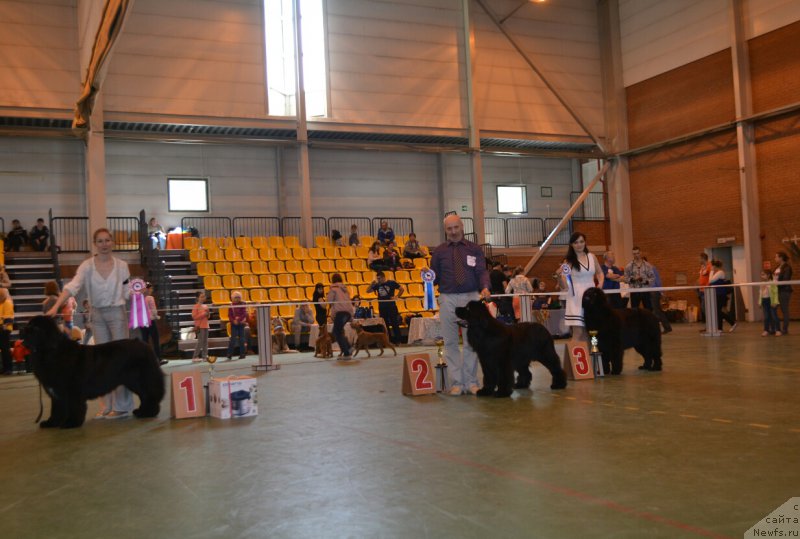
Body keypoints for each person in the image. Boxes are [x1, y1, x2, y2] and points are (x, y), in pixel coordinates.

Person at [45, 228, 133, 419]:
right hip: (97, 316)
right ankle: (106, 406)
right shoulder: (86, 266)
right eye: (100, 241)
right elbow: (72, 287)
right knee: (101, 363)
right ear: (95, 244)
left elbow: (127, 293)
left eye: (107, 240)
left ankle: (123, 407)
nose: (104, 244)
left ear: (112, 243)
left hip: (117, 314)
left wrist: (138, 294)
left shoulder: (122, 266)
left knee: (120, 361)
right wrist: (56, 307)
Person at [429, 214, 491, 396]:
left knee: (471, 342)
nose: (453, 232)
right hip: (447, 298)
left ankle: (471, 382)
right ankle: (457, 383)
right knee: (450, 342)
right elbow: (435, 276)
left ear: (462, 227)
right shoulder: (439, 251)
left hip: (471, 298)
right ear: (445, 230)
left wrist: (485, 287)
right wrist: (427, 276)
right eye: (449, 229)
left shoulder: (475, 249)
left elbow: (481, 271)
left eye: (456, 227)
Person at [557, 232, 604, 342]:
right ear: (571, 245)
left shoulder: (592, 257)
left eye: (581, 241)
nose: (579, 245)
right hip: (576, 298)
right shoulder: (567, 262)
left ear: (585, 242)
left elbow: (600, 273)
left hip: (592, 296)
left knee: (591, 332)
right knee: (578, 332)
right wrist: (559, 277)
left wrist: (600, 285)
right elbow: (565, 285)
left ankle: (589, 358)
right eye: (576, 242)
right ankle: (576, 359)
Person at [368, 270, 404, 345]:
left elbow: (401, 289)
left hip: (391, 307)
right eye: (377, 278)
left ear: (384, 277)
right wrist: (371, 284)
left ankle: (398, 341)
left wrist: (397, 296)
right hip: (382, 307)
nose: (378, 280)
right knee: (385, 325)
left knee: (395, 324)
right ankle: (388, 341)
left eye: (379, 278)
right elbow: (368, 291)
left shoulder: (391, 283)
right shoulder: (377, 285)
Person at [327, 273, 354, 359]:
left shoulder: (333, 288)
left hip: (340, 313)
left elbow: (329, 301)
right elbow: (349, 302)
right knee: (339, 331)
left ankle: (347, 352)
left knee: (336, 332)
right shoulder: (345, 289)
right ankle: (349, 347)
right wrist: (351, 316)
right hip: (347, 313)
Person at [646, 258, 672, 334]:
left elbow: (658, 280)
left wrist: (661, 292)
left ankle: (664, 328)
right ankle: (667, 327)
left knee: (657, 311)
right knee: (657, 311)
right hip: (651, 291)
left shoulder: (652, 268)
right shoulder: (646, 270)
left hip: (655, 292)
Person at [141, 283, 165, 365]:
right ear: (147, 289)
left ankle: (145, 359)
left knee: (145, 340)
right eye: (151, 288)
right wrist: (157, 316)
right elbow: (153, 309)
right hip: (150, 320)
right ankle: (158, 358)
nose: (152, 290)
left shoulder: (139, 298)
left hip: (142, 321)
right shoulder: (150, 298)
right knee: (155, 339)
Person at [709, 260, 736, 332]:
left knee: (718, 311)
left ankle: (732, 323)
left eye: (712, 266)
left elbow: (710, 281)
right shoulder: (717, 273)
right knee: (718, 311)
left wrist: (711, 271)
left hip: (721, 294)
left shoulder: (720, 272)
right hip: (717, 294)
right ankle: (720, 328)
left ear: (714, 266)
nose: (711, 267)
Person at [773, 251, 793, 336]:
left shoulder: (787, 267)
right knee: (773, 309)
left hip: (784, 291)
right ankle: (776, 328)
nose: (775, 258)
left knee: (784, 310)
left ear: (781, 258)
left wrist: (777, 283)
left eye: (776, 257)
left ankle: (785, 329)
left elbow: (786, 279)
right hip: (776, 291)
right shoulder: (777, 267)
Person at [227, 291, 248, 360]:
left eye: (239, 297)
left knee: (242, 339)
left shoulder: (243, 304)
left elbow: (244, 313)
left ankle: (242, 354)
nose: (237, 299)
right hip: (234, 324)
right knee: (233, 339)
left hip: (241, 324)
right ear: (232, 298)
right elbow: (229, 315)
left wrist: (238, 320)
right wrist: (233, 321)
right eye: (235, 297)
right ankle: (229, 354)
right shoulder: (231, 305)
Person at [759, 269, 780, 337]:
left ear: (768, 275)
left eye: (763, 274)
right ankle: (766, 330)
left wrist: (775, 302)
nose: (761, 276)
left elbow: (775, 293)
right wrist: (760, 302)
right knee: (766, 317)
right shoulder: (761, 283)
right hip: (764, 301)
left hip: (771, 301)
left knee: (774, 316)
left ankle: (778, 330)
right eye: (761, 274)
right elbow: (760, 294)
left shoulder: (772, 282)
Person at [191, 291, 209, 362]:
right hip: (199, 326)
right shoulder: (195, 306)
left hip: (206, 325)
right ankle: (195, 356)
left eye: (204, 296)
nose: (203, 298)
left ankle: (205, 356)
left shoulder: (206, 306)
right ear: (197, 298)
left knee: (205, 342)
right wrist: (204, 314)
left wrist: (207, 314)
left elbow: (208, 316)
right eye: (201, 297)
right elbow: (194, 317)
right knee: (200, 341)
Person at [0, 287, 13, 375]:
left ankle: (8, 368)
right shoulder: (1, 303)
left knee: (5, 349)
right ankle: (4, 368)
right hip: (1, 327)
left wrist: (4, 325)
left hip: (4, 329)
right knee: (3, 349)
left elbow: (8, 317)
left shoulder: (7, 303)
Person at [697, 253, 712, 323]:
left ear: (703, 258)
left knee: (705, 307)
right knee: (703, 308)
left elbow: (711, 278)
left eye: (699, 258)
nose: (699, 260)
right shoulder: (702, 267)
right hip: (701, 290)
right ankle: (709, 325)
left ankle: (711, 323)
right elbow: (701, 277)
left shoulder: (709, 266)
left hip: (706, 290)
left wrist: (707, 287)